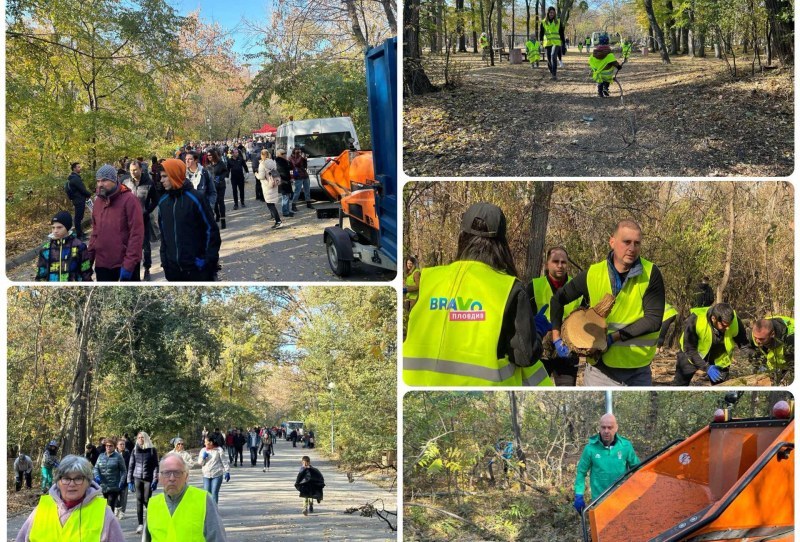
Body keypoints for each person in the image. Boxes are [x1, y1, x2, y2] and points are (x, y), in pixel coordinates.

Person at [403, 202, 551, 386]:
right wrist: (535, 331)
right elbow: (524, 356)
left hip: (415, 384)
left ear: (462, 237)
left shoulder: (429, 278)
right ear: (501, 244)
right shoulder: (509, 287)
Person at [550, 220, 665, 386]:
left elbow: (653, 320)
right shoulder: (593, 274)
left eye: (637, 243)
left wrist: (611, 339)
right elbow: (558, 299)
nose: (632, 249)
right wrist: (556, 338)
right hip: (600, 372)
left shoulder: (650, 273)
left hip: (638, 371)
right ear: (612, 242)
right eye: (626, 242)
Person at [15, 455, 125, 542]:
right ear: (58, 482)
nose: (71, 484)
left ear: (88, 482)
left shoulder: (103, 512)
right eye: (66, 478)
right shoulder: (43, 508)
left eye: (78, 478)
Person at [526, 247, 584, 386]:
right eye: (555, 261)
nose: (560, 265)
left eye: (563, 262)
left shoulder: (577, 287)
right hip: (539, 353)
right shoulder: (534, 286)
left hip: (567, 352)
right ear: (547, 264)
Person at [156, 158, 221, 282]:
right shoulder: (163, 203)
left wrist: (206, 260)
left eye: (165, 176)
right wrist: (165, 262)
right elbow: (164, 236)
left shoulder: (196, 198)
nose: (161, 180)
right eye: (161, 177)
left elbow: (211, 231)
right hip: (173, 271)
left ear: (174, 175)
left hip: (196, 269)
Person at [144, 453, 228, 542]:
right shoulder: (153, 504)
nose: (172, 478)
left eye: (177, 473)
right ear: (159, 477)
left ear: (186, 476)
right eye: (166, 473)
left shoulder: (203, 500)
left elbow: (217, 538)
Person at [88, 164, 145, 281]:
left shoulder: (129, 200)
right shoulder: (98, 202)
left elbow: (137, 235)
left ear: (114, 180)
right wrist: (88, 260)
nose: (100, 184)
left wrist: (129, 265)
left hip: (124, 264)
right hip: (102, 264)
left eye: (104, 180)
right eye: (98, 181)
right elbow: (95, 233)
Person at [573, 414, 639, 515]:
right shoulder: (590, 448)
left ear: (616, 428)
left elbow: (637, 468)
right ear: (599, 428)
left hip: (622, 499)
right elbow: (581, 472)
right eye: (603, 427)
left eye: (610, 427)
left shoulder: (625, 446)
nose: (606, 431)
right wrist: (579, 494)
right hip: (599, 501)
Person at [674, 303, 748, 386]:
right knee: (680, 384)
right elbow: (689, 349)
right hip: (692, 354)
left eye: (729, 324)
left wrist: (757, 361)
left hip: (719, 359)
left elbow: (744, 344)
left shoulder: (734, 321)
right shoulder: (696, 320)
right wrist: (706, 367)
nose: (727, 328)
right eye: (723, 325)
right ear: (713, 318)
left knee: (722, 388)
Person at [122, 160, 158, 280]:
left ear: (141, 169)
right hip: (127, 221)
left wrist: (147, 210)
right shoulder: (125, 183)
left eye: (135, 170)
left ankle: (147, 268)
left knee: (145, 246)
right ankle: (131, 269)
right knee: (129, 245)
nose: (133, 172)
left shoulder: (149, 183)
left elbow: (155, 200)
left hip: (143, 220)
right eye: (131, 170)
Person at [35, 211, 93, 281]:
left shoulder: (79, 246)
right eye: (53, 227)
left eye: (59, 227)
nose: (55, 231)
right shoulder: (46, 249)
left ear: (67, 227)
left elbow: (86, 271)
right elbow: (41, 274)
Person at [127, 431, 160, 534]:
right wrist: (129, 481)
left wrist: (155, 479)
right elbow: (131, 466)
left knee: (147, 500)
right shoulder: (135, 450)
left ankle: (150, 521)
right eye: (139, 437)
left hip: (148, 478)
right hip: (137, 478)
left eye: (142, 437)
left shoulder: (152, 450)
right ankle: (140, 524)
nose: (141, 439)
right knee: (139, 500)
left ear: (146, 438)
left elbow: (155, 466)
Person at [750, 316, 794, 380]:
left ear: (772, 334)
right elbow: (750, 350)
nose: (757, 341)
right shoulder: (756, 333)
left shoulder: (791, 338)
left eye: (761, 339)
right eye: (755, 337)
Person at [93, 437, 127, 513]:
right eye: (107, 446)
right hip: (104, 485)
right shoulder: (101, 456)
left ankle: (109, 522)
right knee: (105, 505)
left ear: (114, 447)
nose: (108, 447)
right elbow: (96, 468)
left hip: (114, 486)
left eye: (110, 446)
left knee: (110, 504)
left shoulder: (118, 457)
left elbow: (124, 471)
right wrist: (97, 476)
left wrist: (121, 481)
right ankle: (109, 520)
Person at [197, 436, 230, 504]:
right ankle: (208, 510)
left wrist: (227, 471)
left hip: (217, 474)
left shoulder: (219, 450)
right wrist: (203, 457)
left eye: (206, 442)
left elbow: (224, 461)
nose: (205, 444)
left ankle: (214, 511)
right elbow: (200, 463)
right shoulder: (203, 450)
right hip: (206, 475)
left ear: (211, 443)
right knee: (207, 493)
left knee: (214, 492)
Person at [64, 162, 93, 240]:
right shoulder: (75, 179)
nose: (80, 168)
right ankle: (79, 235)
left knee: (79, 217)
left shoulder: (73, 177)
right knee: (78, 218)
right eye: (78, 167)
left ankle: (80, 233)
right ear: (74, 169)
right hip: (79, 200)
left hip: (77, 200)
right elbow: (82, 189)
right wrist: (90, 194)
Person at [589, 34, 623, 98]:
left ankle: (600, 93)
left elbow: (591, 61)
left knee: (600, 82)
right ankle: (606, 88)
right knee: (607, 80)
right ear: (608, 43)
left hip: (598, 74)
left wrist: (594, 69)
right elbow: (614, 62)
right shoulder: (609, 55)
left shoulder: (594, 54)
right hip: (607, 74)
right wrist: (618, 66)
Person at [255, 148, 282, 228]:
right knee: (271, 202)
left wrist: (256, 174)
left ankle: (278, 221)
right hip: (274, 183)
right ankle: (274, 217)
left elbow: (261, 176)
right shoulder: (273, 162)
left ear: (262, 155)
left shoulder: (262, 164)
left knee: (270, 203)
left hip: (267, 185)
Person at [539, 6, 565, 80]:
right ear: (548, 13)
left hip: (556, 42)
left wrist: (563, 42)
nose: (551, 14)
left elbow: (561, 33)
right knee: (549, 59)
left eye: (553, 13)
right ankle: (552, 72)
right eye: (550, 12)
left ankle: (554, 75)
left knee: (553, 55)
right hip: (547, 43)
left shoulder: (558, 21)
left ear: (555, 14)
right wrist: (541, 41)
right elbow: (541, 32)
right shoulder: (543, 22)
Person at [208, 149, 229, 229]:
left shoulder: (220, 163)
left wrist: (220, 177)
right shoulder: (208, 165)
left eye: (210, 155)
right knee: (215, 202)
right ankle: (217, 215)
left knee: (221, 201)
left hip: (220, 186)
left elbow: (226, 171)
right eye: (208, 155)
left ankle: (223, 221)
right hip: (212, 187)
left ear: (213, 155)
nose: (209, 156)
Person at [275, 149, 295, 218]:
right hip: (284, 181)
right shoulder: (279, 162)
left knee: (287, 196)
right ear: (280, 154)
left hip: (286, 181)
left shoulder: (283, 161)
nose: (285, 154)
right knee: (285, 197)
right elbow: (282, 172)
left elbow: (290, 168)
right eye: (284, 153)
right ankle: (285, 212)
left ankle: (287, 211)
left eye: (285, 153)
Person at [114, 439, 130, 519]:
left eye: (123, 444)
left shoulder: (128, 454)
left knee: (124, 496)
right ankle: (117, 507)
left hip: (125, 478)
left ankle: (122, 512)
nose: (122, 446)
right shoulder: (113, 454)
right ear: (117, 445)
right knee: (115, 495)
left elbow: (130, 466)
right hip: (115, 478)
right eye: (120, 444)